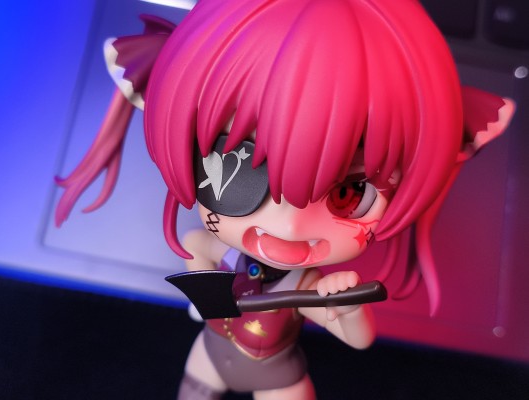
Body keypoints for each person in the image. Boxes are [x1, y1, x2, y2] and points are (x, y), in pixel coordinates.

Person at [55, 1, 514, 398]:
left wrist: (347, 307)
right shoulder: (229, 256)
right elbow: (196, 243)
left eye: (349, 192)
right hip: (210, 353)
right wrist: (202, 284)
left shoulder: (307, 286)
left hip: (277, 372)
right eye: (240, 169)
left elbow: (359, 340)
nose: (289, 226)